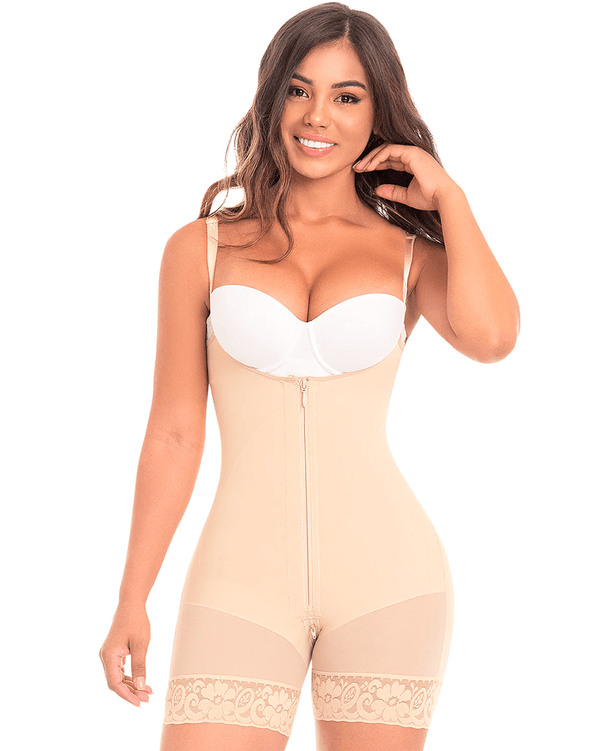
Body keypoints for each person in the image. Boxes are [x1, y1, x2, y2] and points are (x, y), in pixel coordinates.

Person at [99, 3, 520, 750]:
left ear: (377, 113)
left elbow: (492, 339)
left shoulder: (410, 255)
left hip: (389, 580)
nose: (317, 114)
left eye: (346, 96)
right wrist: (133, 595)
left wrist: (452, 200)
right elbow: (173, 433)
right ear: (272, 100)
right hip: (238, 581)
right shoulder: (199, 249)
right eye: (299, 89)